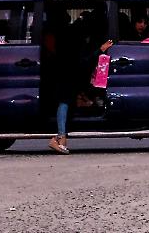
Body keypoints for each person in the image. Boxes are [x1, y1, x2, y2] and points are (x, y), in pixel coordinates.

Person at [48, 11, 113, 155]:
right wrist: (100, 50)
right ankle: (59, 138)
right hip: (68, 74)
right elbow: (82, 62)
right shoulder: (77, 37)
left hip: (65, 72)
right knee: (64, 102)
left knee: (66, 102)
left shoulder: (70, 32)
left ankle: (61, 138)